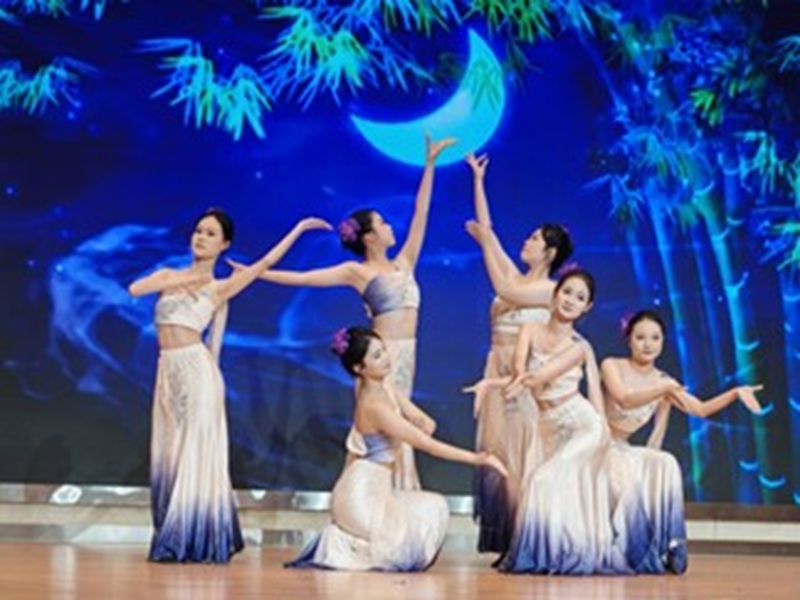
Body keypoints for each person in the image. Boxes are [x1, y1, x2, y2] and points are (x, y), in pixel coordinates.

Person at [238, 135, 457, 490]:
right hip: (378, 358)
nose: (390, 226)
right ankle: (368, 497)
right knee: (382, 430)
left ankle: (397, 496)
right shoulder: (356, 272)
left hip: (406, 355)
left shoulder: (404, 262)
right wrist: (254, 273)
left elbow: (421, 213)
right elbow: (303, 278)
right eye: (382, 223)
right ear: (369, 237)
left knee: (400, 428)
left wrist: (430, 164)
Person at [128, 208, 330, 563]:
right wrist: (182, 280)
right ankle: (173, 532)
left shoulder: (220, 288)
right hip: (168, 372)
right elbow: (135, 289)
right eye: (198, 231)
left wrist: (298, 229)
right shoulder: (168, 275)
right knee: (170, 451)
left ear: (224, 245)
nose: (201, 237)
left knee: (195, 453)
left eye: (210, 234)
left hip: (197, 372)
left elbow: (265, 263)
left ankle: (189, 538)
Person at [287, 326, 507, 571]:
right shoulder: (374, 406)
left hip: (379, 490)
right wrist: (480, 459)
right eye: (377, 356)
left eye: (383, 350)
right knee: (411, 531)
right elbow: (428, 446)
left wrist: (422, 422)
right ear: (360, 368)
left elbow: (423, 421)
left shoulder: (383, 386)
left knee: (431, 506)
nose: (386, 358)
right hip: (359, 496)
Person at [466, 268, 633, 574]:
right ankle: (553, 552)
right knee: (538, 486)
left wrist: (492, 384)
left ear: (587, 307)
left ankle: (540, 554)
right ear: (555, 295)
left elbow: (539, 377)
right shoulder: (530, 329)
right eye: (567, 292)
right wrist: (497, 383)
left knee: (541, 482)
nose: (570, 300)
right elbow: (520, 372)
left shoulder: (579, 348)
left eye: (580, 297)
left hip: (582, 427)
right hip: (548, 426)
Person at [463, 153, 573, 553]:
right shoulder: (516, 275)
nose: (526, 241)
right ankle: (509, 536)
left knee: (524, 454)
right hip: (497, 368)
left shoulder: (550, 289)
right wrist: (478, 181)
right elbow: (489, 231)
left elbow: (505, 290)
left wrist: (486, 246)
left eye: (534, 239)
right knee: (499, 453)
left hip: (522, 374)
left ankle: (528, 537)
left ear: (550, 252)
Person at [601, 309, 763, 574]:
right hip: (596, 443)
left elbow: (700, 409)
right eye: (640, 337)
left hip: (622, 448)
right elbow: (624, 399)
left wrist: (735, 393)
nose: (648, 344)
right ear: (629, 339)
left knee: (666, 462)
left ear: (663, 341)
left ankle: (661, 545)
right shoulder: (612, 365)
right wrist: (663, 388)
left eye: (655, 338)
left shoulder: (664, 381)